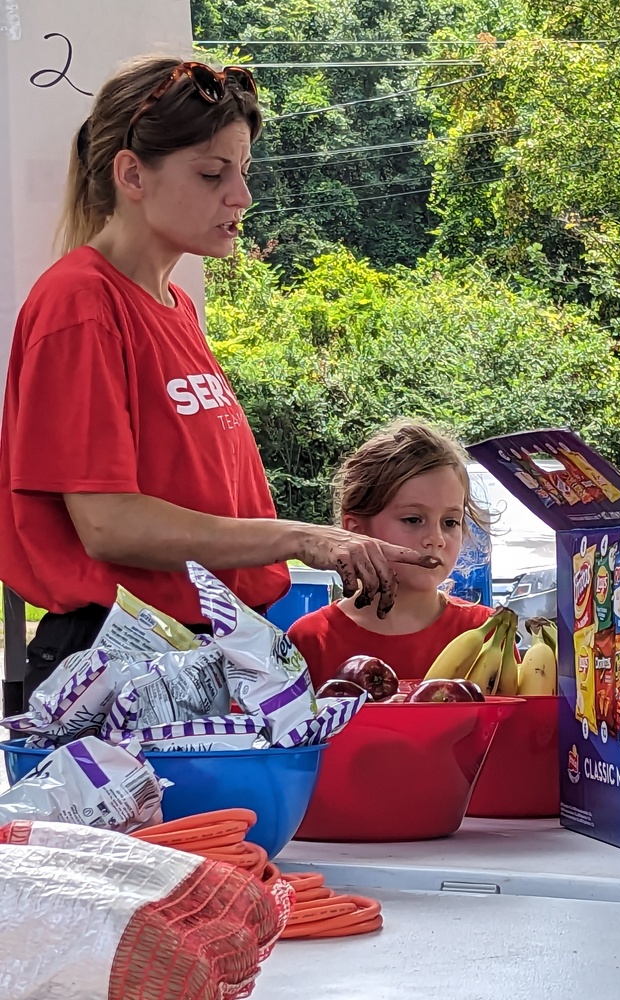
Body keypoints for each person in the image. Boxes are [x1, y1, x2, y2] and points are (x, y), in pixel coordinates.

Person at [0, 57, 439, 706]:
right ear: (131, 175)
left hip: (207, 651)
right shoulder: (81, 303)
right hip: (120, 664)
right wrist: (298, 537)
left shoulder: (175, 307)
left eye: (242, 172)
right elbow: (108, 523)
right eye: (212, 174)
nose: (240, 197)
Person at [288, 420, 500, 691]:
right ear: (356, 530)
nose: (435, 539)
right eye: (413, 519)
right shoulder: (311, 639)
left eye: (450, 522)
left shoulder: (486, 632)